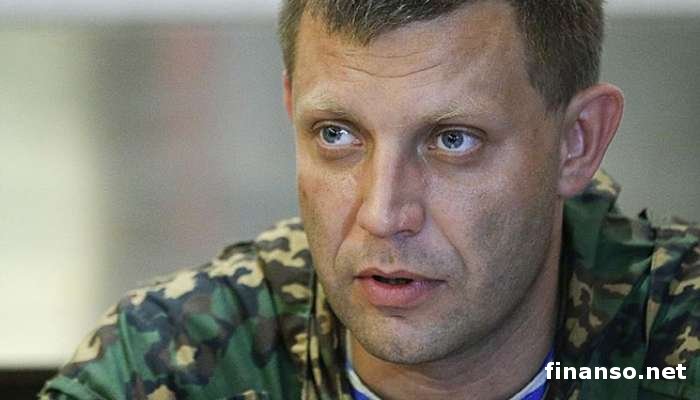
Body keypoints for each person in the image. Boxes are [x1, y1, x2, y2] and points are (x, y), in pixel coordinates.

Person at [40, 1, 699, 399]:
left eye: (453, 140)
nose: (383, 215)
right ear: (291, 108)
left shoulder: (673, 340)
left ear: (577, 142)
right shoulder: (176, 360)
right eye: (337, 134)